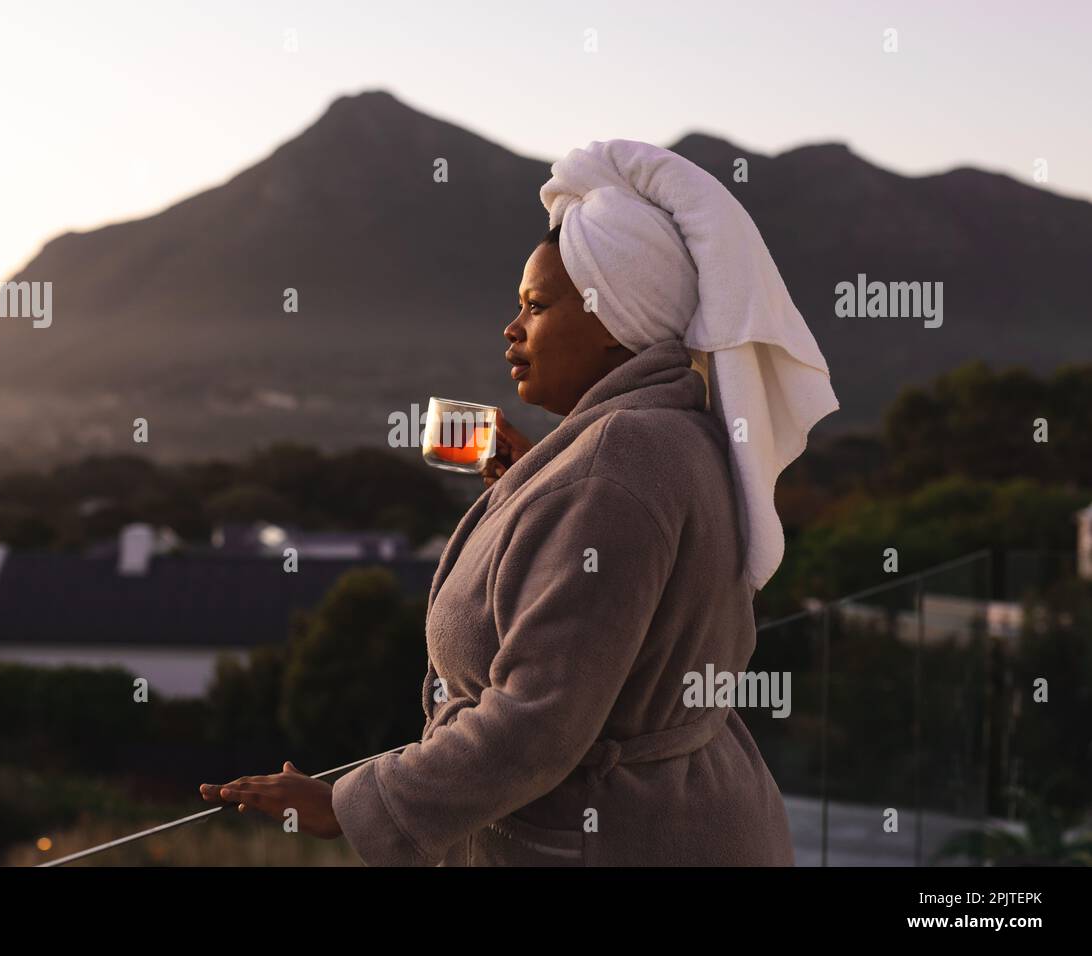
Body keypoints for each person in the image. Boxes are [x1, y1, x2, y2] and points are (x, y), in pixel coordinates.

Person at [200, 139, 838, 865]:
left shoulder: (617, 462)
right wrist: (538, 488)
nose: (512, 329)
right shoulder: (674, 436)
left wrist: (349, 802)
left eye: (536, 307)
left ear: (614, 322)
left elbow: (539, 720)